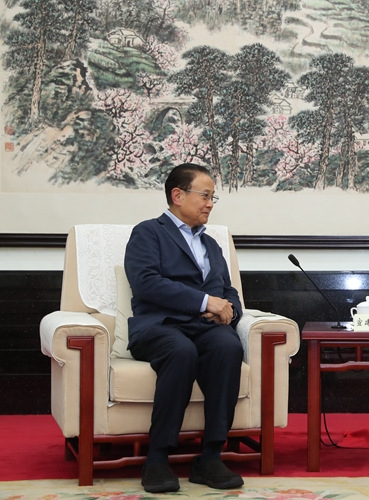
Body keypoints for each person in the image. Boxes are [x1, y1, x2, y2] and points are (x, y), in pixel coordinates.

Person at [125, 163, 245, 493]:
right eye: (204, 196)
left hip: (204, 327)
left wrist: (229, 310)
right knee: (181, 351)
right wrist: (206, 301)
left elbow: (228, 291)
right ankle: (157, 458)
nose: (210, 204)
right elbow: (146, 283)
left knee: (228, 346)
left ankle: (210, 457)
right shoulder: (148, 233)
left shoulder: (211, 244)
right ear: (178, 195)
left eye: (212, 197)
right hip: (160, 325)